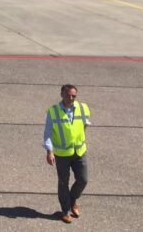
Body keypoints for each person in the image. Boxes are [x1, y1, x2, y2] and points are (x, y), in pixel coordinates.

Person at [44, 84, 92, 224]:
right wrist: (49, 151)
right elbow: (47, 134)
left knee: (83, 180)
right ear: (61, 95)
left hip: (79, 151)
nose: (70, 98)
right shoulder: (53, 111)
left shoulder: (83, 108)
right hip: (62, 154)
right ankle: (65, 211)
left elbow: (84, 125)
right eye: (67, 95)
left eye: (73, 96)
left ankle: (72, 200)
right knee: (63, 182)